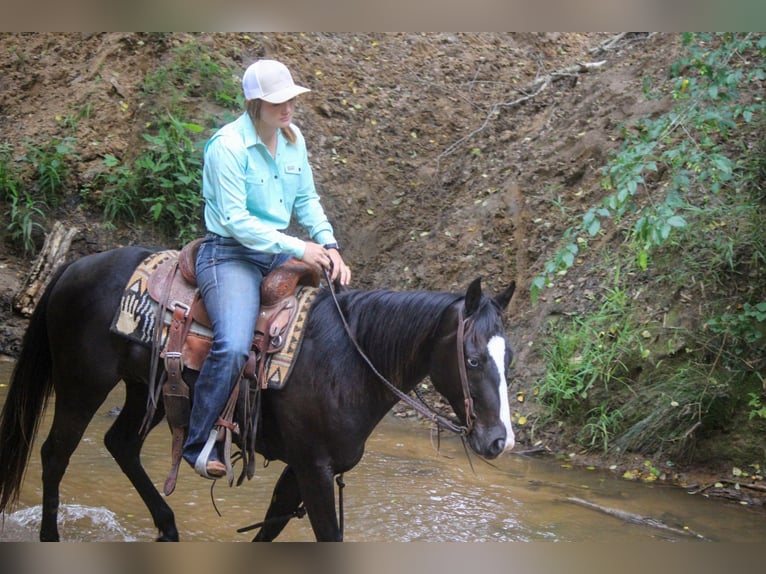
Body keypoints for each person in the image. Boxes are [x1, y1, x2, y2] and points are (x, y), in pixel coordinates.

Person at [183, 59, 352, 479]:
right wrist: (299, 247)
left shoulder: (294, 140)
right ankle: (199, 438)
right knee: (235, 343)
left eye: (291, 99)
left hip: (276, 250)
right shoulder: (227, 147)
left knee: (335, 315)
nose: (288, 107)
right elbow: (237, 221)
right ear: (253, 103)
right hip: (231, 253)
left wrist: (330, 247)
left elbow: (307, 201)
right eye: (278, 101)